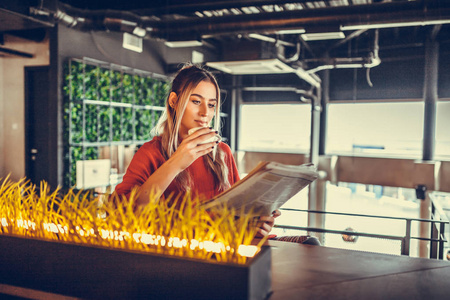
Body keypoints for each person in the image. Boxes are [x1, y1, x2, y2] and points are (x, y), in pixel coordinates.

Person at [114, 63, 319, 243]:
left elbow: (239, 213)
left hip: (228, 246)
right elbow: (123, 215)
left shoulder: (221, 152)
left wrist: (257, 223)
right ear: (174, 101)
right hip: (183, 253)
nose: (205, 113)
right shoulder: (151, 152)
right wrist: (176, 163)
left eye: (211, 105)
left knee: (310, 244)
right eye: (196, 101)